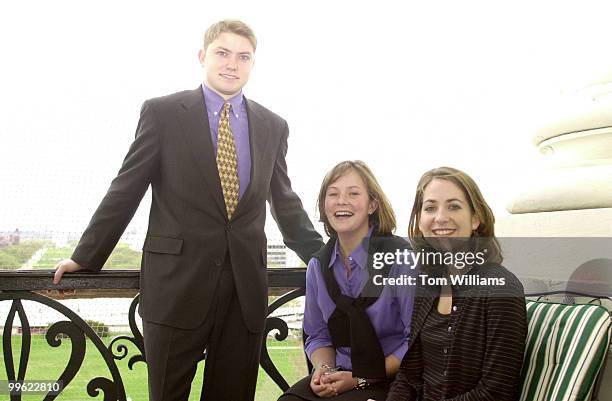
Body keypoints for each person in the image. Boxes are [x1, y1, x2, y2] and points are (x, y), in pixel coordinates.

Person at [53, 19, 323, 401]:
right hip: (175, 287)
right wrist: (86, 256)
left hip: (243, 292)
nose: (232, 63)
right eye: (223, 53)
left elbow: (285, 201)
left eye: (243, 56)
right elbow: (126, 188)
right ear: (203, 56)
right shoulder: (164, 114)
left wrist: (325, 257)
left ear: (252, 64)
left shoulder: (272, 125)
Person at [382, 166, 527, 401]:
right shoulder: (426, 283)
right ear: (420, 221)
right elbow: (408, 377)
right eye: (430, 208)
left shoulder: (501, 289)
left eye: (454, 206)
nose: (440, 217)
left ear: (475, 219)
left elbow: (494, 393)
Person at [280, 160, 415, 401]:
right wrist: (324, 371)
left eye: (353, 193)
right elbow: (318, 334)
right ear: (324, 205)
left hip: (393, 376)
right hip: (340, 374)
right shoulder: (317, 267)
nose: (341, 200)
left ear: (372, 204)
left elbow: (413, 341)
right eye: (333, 194)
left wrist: (359, 379)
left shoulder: (401, 259)